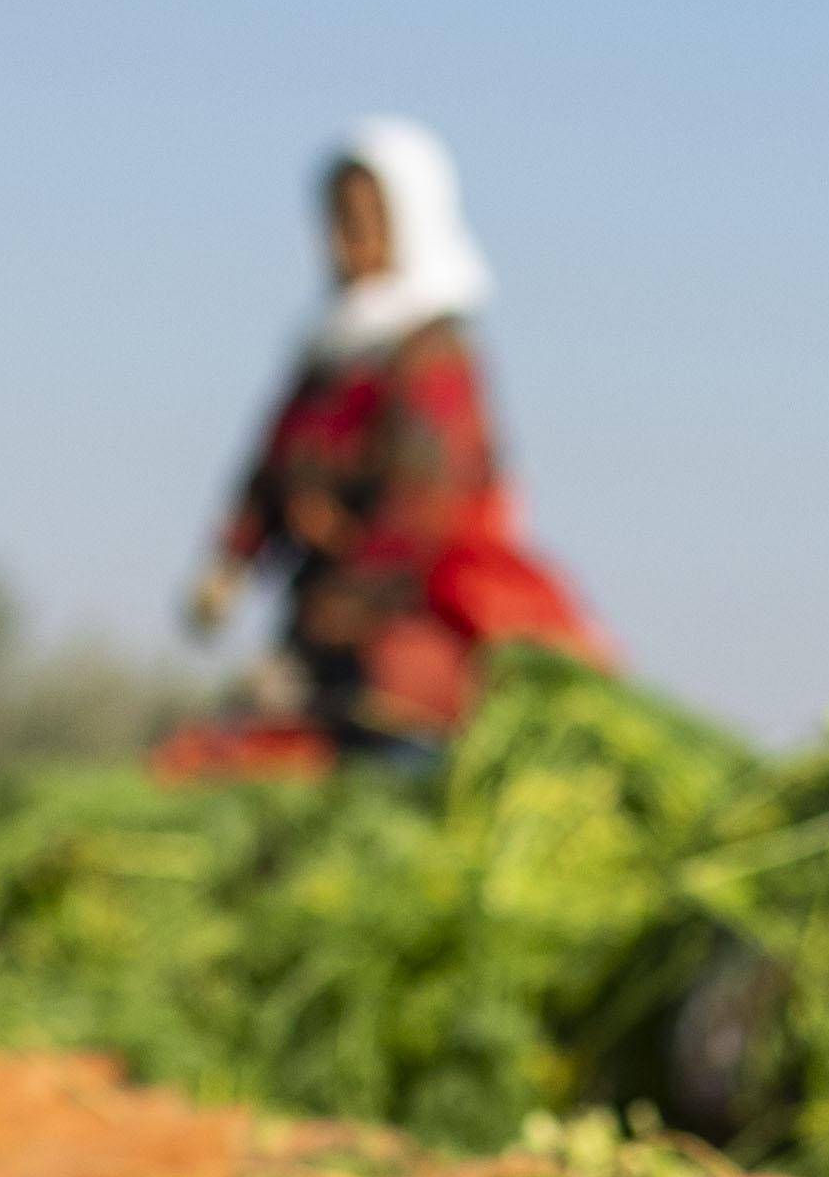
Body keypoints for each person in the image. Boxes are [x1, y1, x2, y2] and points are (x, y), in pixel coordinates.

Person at [185, 120, 609, 769]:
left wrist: (341, 601)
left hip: (410, 617)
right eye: (332, 222)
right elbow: (269, 470)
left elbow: (424, 507)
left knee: (384, 757)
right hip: (323, 608)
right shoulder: (326, 350)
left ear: (410, 223)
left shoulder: (431, 355)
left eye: (360, 222)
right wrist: (230, 563)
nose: (341, 243)